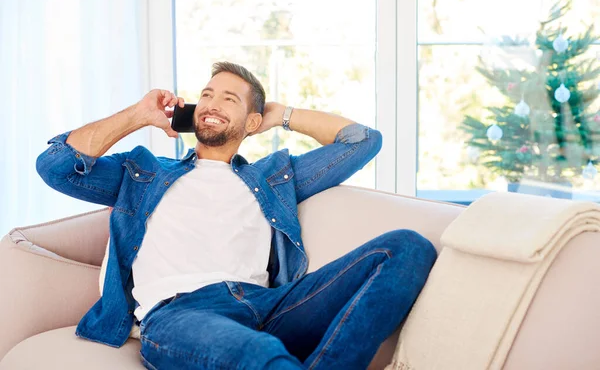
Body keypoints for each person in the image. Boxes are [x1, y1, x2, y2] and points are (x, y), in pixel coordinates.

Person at [36, 62, 437, 370]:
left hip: (270, 305)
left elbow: (363, 141)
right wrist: (137, 115)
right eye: (207, 95)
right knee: (260, 354)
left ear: (252, 122)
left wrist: (281, 115)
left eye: (229, 98)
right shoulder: (145, 172)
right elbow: (56, 166)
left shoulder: (274, 177)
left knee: (408, 248)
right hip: (182, 313)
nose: (211, 103)